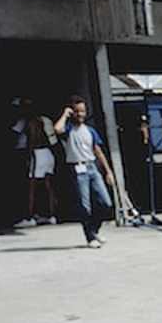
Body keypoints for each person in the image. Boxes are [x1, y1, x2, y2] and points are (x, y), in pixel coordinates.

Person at [53, 96, 115, 248]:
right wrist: (65, 114)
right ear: (72, 112)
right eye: (77, 111)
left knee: (106, 202)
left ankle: (94, 230)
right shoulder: (68, 130)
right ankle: (90, 237)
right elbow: (57, 129)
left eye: (83, 111)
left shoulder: (90, 131)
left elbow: (98, 151)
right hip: (77, 168)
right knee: (84, 206)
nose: (80, 114)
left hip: (92, 167)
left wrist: (108, 172)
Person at [14, 105, 59, 227]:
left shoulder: (31, 122)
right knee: (48, 186)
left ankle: (29, 217)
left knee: (31, 187)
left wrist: (30, 157)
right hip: (48, 153)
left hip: (37, 154)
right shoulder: (45, 120)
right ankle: (52, 216)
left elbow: (32, 140)